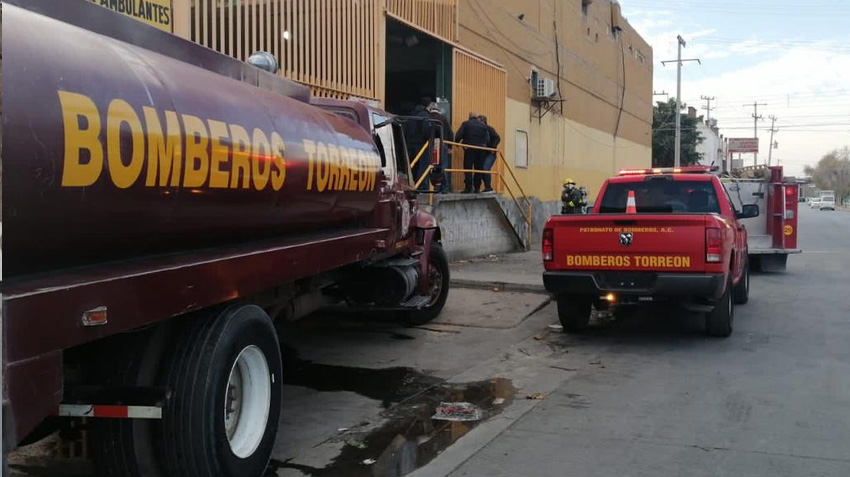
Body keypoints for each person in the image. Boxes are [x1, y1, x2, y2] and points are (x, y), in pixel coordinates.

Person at [454, 112, 490, 193]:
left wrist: (457, 143)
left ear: (469, 117)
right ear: (476, 117)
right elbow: (487, 140)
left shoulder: (466, 124)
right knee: (478, 168)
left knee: (468, 167)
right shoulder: (483, 126)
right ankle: (477, 188)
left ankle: (468, 187)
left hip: (469, 149)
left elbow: (458, 135)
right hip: (481, 149)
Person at [428, 102, 453, 193]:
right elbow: (450, 133)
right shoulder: (443, 118)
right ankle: (445, 188)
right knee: (443, 166)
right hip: (443, 145)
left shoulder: (427, 118)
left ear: (430, 109)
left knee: (432, 167)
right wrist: (450, 147)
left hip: (430, 145)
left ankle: (433, 187)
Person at [478, 115, 501, 193]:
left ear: (484, 122)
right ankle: (486, 186)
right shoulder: (480, 130)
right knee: (481, 169)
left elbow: (498, 138)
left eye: (479, 121)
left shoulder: (489, 129)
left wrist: (492, 148)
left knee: (485, 168)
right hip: (483, 153)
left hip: (490, 153)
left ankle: (488, 187)